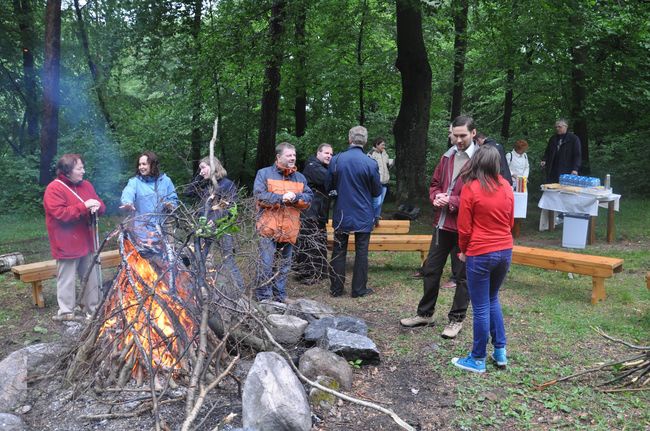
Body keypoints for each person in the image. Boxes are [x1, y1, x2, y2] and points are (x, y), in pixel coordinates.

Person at [400, 115, 477, 339]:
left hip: (465, 228)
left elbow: (481, 196)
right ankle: (425, 314)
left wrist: (452, 201)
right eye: (455, 135)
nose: (458, 140)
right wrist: (436, 197)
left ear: (473, 133)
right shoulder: (447, 157)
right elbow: (435, 184)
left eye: (463, 136)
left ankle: (456, 319)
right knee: (431, 270)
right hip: (442, 224)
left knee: (462, 276)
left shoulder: (481, 159)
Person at [452, 144, 514, 373]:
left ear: (476, 161)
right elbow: (510, 221)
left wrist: (464, 250)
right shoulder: (506, 186)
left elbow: (464, 227)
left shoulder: (471, 188)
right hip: (504, 250)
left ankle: (477, 358)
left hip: (480, 252)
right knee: (492, 299)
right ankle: (500, 352)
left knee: (480, 307)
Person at [43, 154, 106, 321]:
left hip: (88, 241)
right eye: (79, 168)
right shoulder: (54, 189)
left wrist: (98, 207)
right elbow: (60, 214)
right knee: (67, 280)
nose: (83, 171)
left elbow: (100, 204)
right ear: (68, 170)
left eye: (83, 168)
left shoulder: (86, 186)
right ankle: (66, 313)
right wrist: (84, 207)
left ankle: (93, 311)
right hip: (66, 243)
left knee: (92, 277)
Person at [327, 125, 382, 298]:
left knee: (339, 250)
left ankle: (336, 288)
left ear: (350, 139)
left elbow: (329, 186)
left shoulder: (336, 160)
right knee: (362, 252)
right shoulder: (370, 163)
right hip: (364, 213)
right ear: (365, 141)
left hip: (342, 211)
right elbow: (376, 191)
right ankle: (358, 289)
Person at [254, 142, 312, 302]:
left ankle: (279, 296)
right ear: (278, 157)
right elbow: (259, 196)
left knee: (284, 267)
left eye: (294, 155)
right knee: (266, 264)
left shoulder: (300, 178)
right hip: (268, 228)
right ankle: (263, 297)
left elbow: (309, 198)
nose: (293, 158)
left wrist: (296, 197)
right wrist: (281, 198)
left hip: (290, 228)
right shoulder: (264, 173)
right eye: (289, 155)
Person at [184, 156, 244, 290]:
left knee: (227, 259)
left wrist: (215, 221)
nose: (201, 171)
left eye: (203, 167)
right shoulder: (205, 185)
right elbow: (187, 192)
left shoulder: (227, 184)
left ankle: (239, 290)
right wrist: (199, 178)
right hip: (204, 228)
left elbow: (231, 207)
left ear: (214, 166)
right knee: (199, 259)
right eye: (200, 169)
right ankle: (196, 289)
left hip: (222, 228)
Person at [120, 151, 178, 253]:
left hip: (163, 232)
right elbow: (128, 192)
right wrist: (127, 202)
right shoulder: (135, 182)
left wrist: (171, 205)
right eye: (139, 164)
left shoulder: (165, 181)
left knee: (165, 264)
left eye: (144, 164)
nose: (141, 167)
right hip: (142, 233)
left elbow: (174, 200)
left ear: (153, 164)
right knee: (145, 264)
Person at [294, 144, 334, 284]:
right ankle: (307, 274)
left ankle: (319, 271)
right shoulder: (313, 166)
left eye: (331, 154)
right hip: (311, 212)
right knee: (310, 243)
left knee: (319, 241)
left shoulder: (322, 167)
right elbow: (329, 180)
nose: (329, 156)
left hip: (319, 212)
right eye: (326, 153)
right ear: (318, 153)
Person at [541, 119, 581, 183]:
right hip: (553, 169)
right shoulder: (553, 138)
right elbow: (547, 151)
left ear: (566, 127)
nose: (557, 128)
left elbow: (577, 155)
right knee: (552, 188)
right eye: (556, 127)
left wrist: (575, 169)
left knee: (565, 189)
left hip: (567, 169)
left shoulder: (574, 139)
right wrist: (544, 160)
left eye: (559, 127)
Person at [367, 137, 394, 225]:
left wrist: (391, 163)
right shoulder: (371, 154)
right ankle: (371, 218)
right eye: (382, 145)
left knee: (381, 202)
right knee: (376, 202)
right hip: (376, 182)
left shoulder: (385, 154)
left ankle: (376, 218)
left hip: (385, 182)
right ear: (377, 145)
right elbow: (368, 168)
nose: (384, 146)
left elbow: (386, 166)